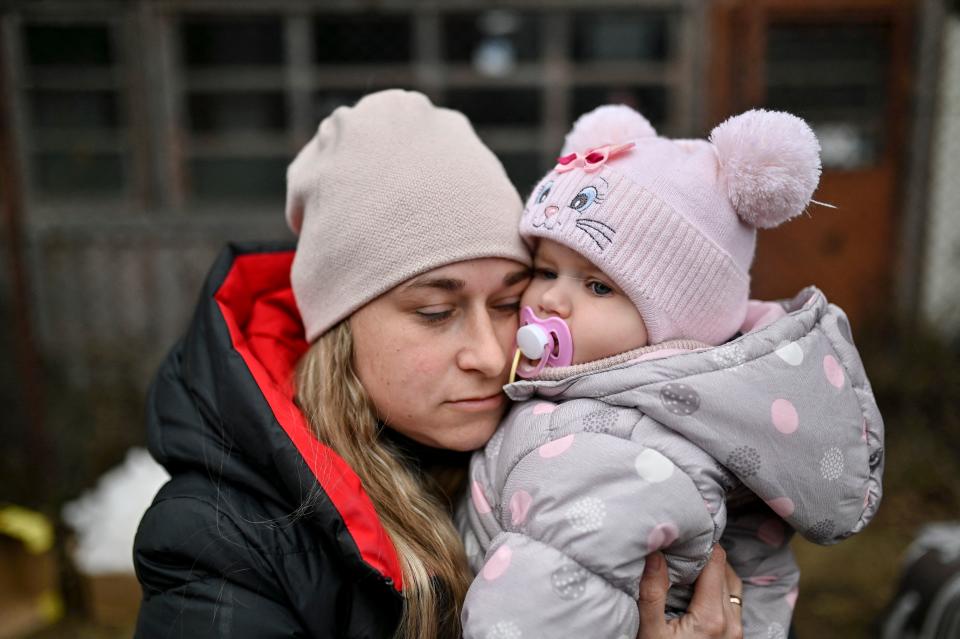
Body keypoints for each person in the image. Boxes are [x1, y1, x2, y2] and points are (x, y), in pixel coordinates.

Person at [133, 89, 745, 639]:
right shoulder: (215, 540)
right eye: (434, 311)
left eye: (509, 302)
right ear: (340, 332)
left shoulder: (590, 453)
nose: (490, 354)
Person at [460, 105, 886, 639]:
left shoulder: (619, 446)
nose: (550, 298)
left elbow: (543, 611)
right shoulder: (609, 403)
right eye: (546, 269)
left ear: (680, 325)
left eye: (597, 287)